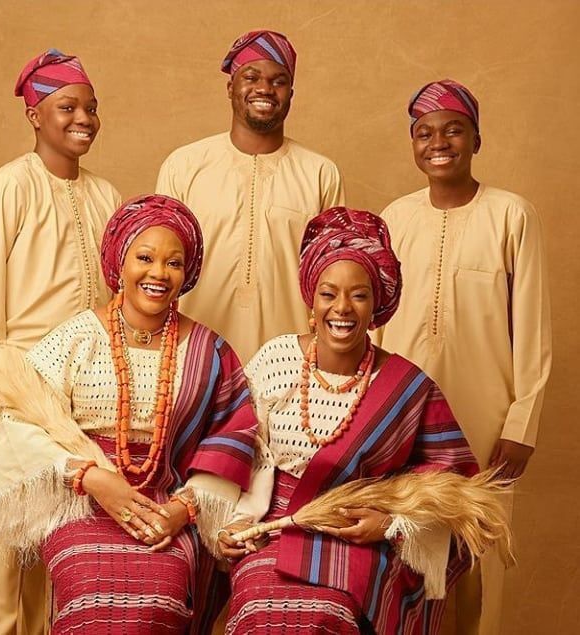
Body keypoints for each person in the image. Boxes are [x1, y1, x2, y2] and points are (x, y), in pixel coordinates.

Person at [0, 195, 258, 634]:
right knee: (91, 593)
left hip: (163, 505)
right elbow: (17, 422)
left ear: (187, 273)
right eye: (145, 258)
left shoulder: (210, 350)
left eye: (173, 263)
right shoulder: (76, 338)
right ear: (120, 262)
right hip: (82, 503)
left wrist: (183, 509)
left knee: (163, 592)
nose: (158, 273)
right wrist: (91, 477)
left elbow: (234, 434)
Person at [217, 208, 483, 634]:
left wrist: (390, 526)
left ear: (376, 305)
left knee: (329, 614)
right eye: (328, 293)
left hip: (359, 533)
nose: (342, 308)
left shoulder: (409, 387)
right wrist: (232, 524)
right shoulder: (274, 359)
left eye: (358, 295)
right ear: (312, 299)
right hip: (272, 525)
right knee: (259, 610)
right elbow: (233, 450)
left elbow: (457, 491)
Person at [373, 80, 552, 634]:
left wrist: (521, 421)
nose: (438, 142)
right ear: (412, 145)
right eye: (424, 133)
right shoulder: (395, 218)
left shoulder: (511, 217)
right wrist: (370, 415)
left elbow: (533, 325)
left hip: (485, 416)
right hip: (404, 415)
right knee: (405, 547)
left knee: (477, 552)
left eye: (453, 129)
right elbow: (376, 325)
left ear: (477, 138)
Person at [0, 48, 121, 635]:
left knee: (68, 526)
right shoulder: (7, 187)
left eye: (91, 108)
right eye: (67, 107)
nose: (83, 118)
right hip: (22, 381)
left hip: (90, 385)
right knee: (9, 533)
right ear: (35, 115)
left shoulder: (106, 195)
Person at [156, 29, 345, 363]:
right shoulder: (184, 166)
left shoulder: (320, 174)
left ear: (291, 93)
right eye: (251, 77)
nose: (264, 89)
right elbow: (159, 271)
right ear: (231, 88)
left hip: (293, 366)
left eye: (278, 81)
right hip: (195, 361)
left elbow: (336, 279)